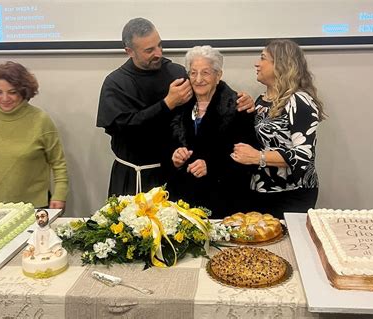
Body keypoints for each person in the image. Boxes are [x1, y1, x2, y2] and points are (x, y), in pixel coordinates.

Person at [96, 17, 254, 197]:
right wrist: (167, 104)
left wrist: (241, 100)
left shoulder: (176, 72)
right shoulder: (115, 83)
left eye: (159, 45)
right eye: (149, 50)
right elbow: (126, 130)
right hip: (133, 174)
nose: (158, 53)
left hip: (175, 174)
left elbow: (209, 92)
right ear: (129, 52)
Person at [231, 39, 326, 219]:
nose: (256, 64)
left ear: (281, 64)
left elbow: (304, 156)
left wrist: (258, 157)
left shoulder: (299, 101)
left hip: (292, 195)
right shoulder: (261, 100)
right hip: (260, 193)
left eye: (263, 58)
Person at [0, 61, 68, 209]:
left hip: (35, 208)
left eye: (12, 92)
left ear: (24, 92)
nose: (4, 98)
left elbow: (58, 163)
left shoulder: (41, 120)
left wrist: (60, 195)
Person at [168, 46, 256, 218]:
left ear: (218, 75)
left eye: (205, 73)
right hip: (183, 201)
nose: (198, 79)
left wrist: (212, 167)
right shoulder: (180, 105)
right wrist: (175, 157)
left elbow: (247, 158)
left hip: (223, 202)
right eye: (193, 73)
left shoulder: (238, 106)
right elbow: (166, 144)